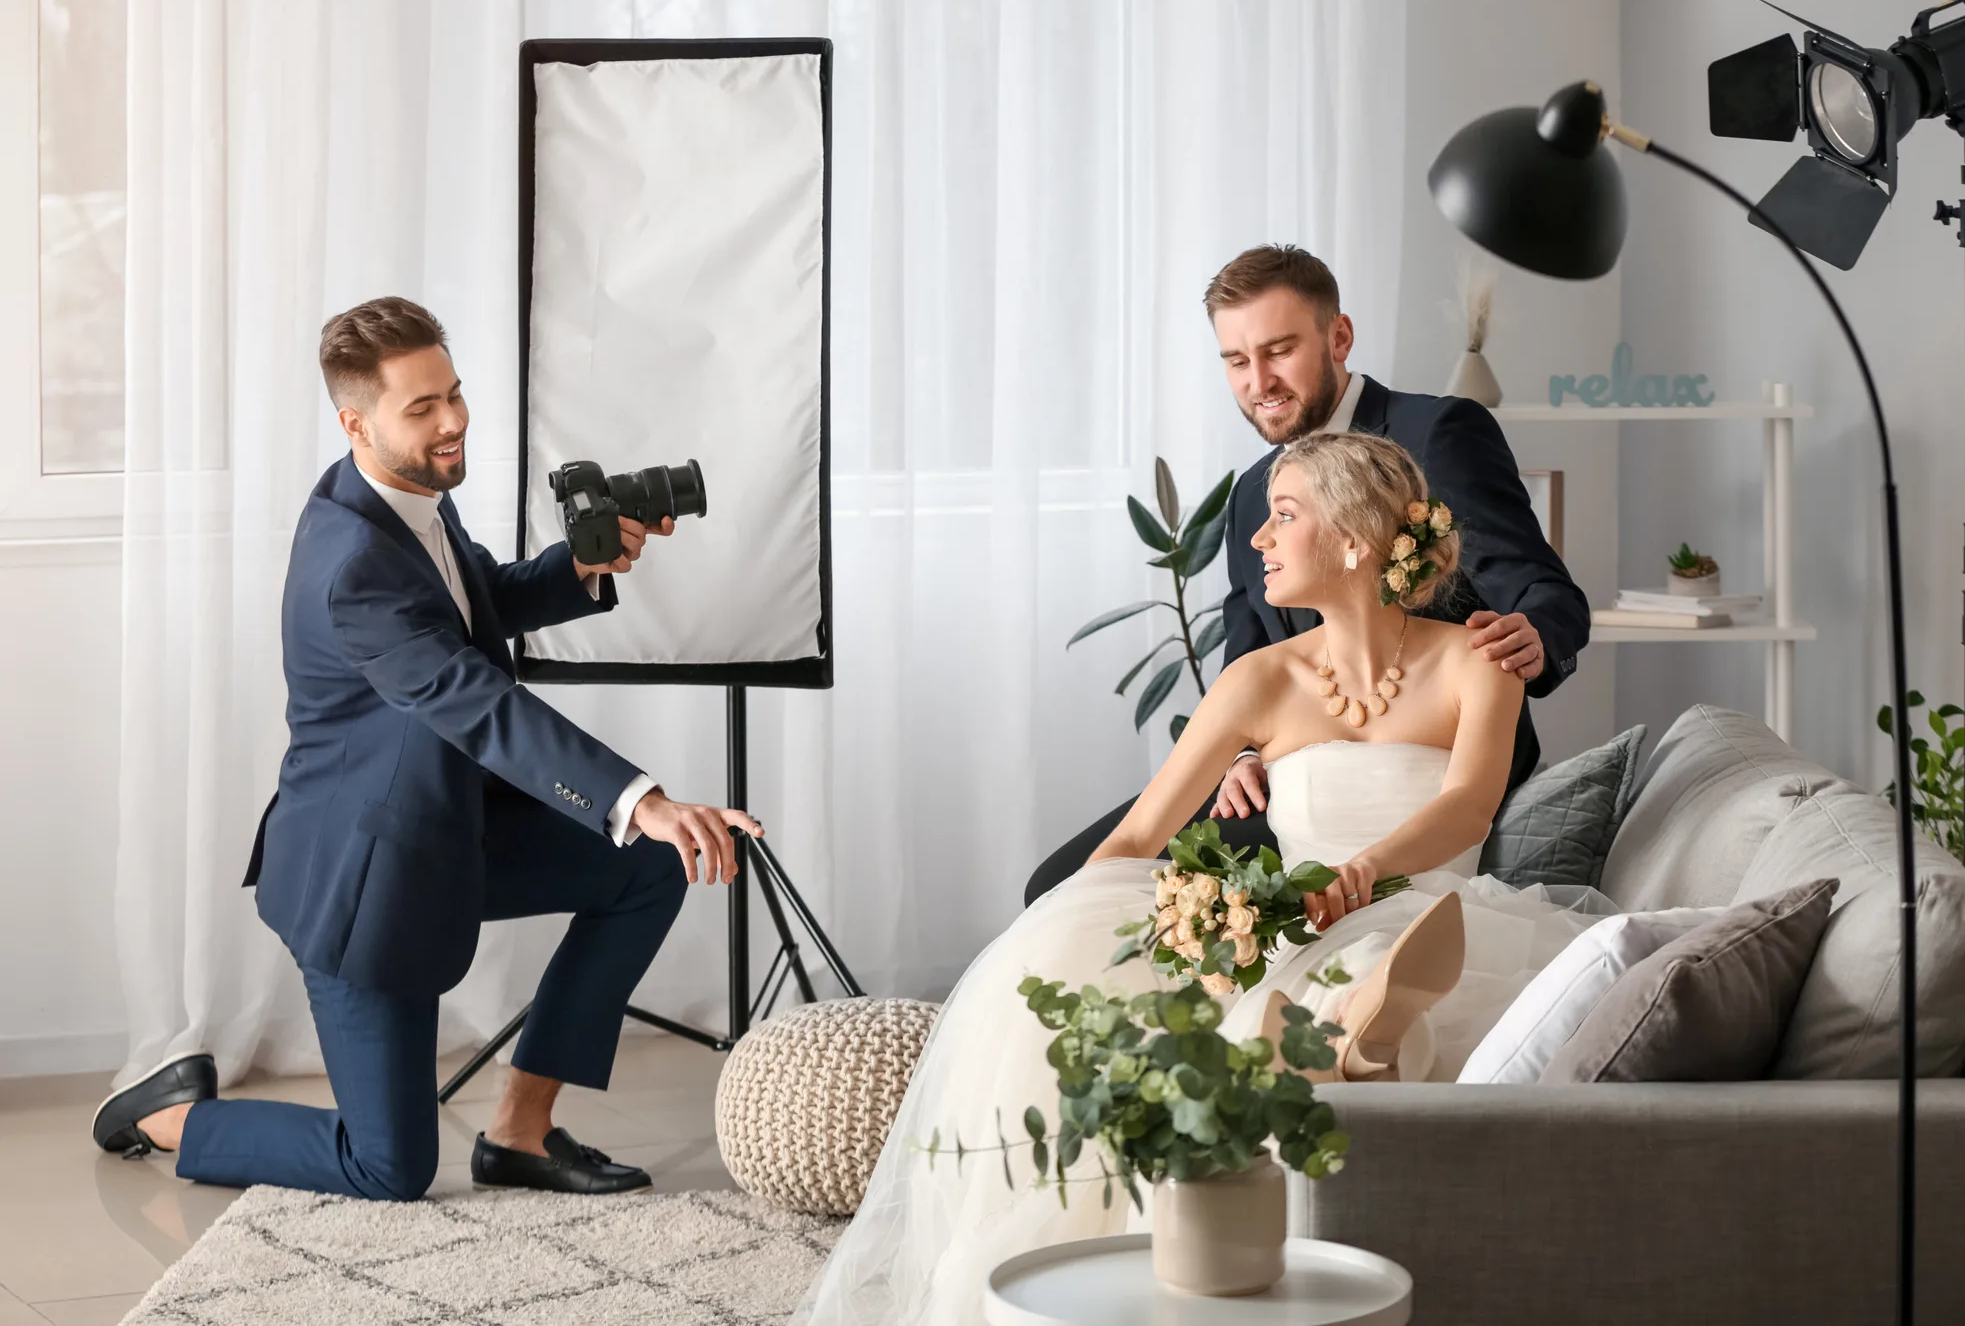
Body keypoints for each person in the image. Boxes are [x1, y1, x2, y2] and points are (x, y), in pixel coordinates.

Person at [792, 431, 1611, 1326]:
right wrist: (1092, 924)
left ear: (1355, 540)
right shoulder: (1260, 679)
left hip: (1432, 916)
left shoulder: (1476, 660)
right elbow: (1143, 830)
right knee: (1190, 985)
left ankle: (1362, 1028)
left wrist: (1367, 868)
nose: (1258, 538)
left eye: (1284, 515)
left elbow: (1469, 809)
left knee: (1369, 960)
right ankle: (1345, 1046)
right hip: (1296, 925)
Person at [90, 297, 760, 1200]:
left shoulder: (406, 497)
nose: (452, 422)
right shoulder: (351, 564)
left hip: (455, 832)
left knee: (647, 866)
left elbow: (476, 598)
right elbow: (473, 698)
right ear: (355, 422)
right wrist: (641, 796)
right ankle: (168, 1112)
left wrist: (582, 567)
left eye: (454, 394)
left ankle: (520, 1129)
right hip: (372, 875)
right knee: (390, 1165)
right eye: (422, 407)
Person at [1025, 244, 1589, 906]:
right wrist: (1240, 756)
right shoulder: (1250, 496)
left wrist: (1534, 634)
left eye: (1279, 350)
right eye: (1237, 360)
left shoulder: (1439, 432)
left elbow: (1542, 586)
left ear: (1339, 336)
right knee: (1061, 886)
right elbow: (1249, 648)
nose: (1259, 379)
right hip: (1293, 766)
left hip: (1425, 759)